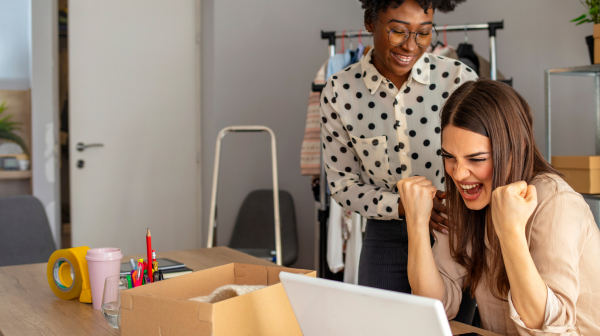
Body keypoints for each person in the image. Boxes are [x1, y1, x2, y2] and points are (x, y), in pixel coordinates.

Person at [400, 78, 600, 335]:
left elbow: (551, 330)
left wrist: (510, 232)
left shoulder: (556, 202)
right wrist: (416, 223)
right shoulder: (467, 200)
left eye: (477, 159)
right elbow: (435, 306)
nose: (459, 174)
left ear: (517, 149)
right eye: (449, 157)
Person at [320, 0, 472, 293]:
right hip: (384, 235)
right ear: (369, 24)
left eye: (424, 33)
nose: (410, 46)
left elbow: (483, 160)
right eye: (398, 31)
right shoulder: (340, 91)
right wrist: (407, 207)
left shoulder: (457, 80)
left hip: (451, 230)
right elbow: (343, 184)